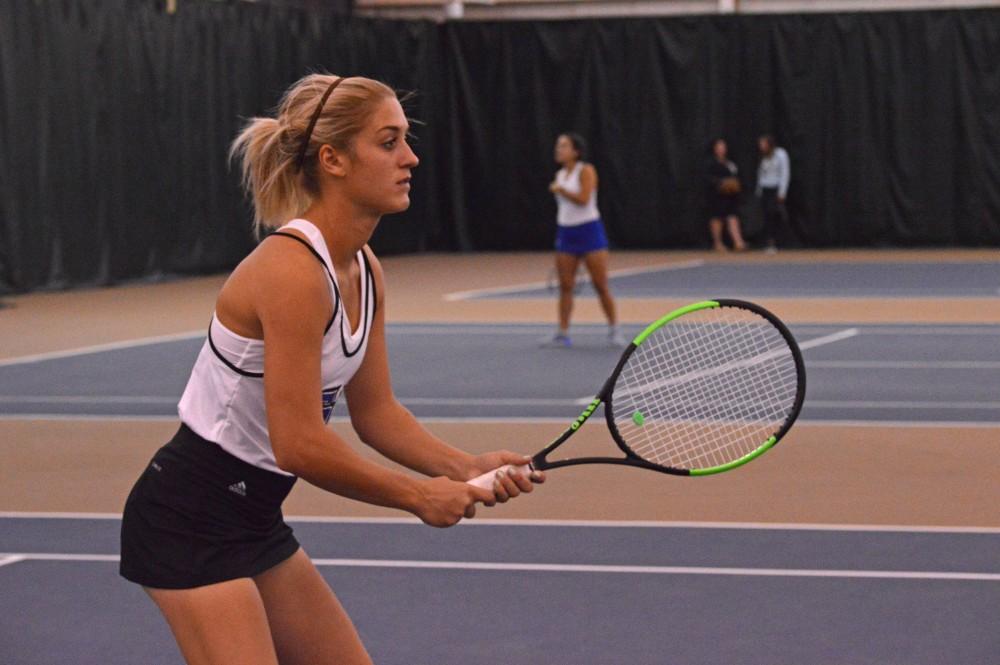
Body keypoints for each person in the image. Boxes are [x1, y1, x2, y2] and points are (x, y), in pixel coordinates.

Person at [119, 73, 544, 665]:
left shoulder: (365, 268)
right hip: (188, 519)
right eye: (389, 142)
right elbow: (298, 444)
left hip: (254, 516)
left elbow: (377, 414)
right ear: (333, 160)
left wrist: (463, 465)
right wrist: (419, 495)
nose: (411, 158)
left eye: (406, 140)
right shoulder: (291, 272)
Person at [542, 132, 625, 348]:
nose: (558, 149)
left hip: (590, 232)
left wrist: (561, 190)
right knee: (566, 286)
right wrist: (560, 188)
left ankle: (614, 329)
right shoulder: (560, 175)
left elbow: (584, 199)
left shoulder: (586, 171)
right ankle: (563, 332)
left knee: (600, 284)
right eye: (558, 145)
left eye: (564, 146)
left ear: (576, 151)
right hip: (566, 234)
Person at [706, 138, 747, 252]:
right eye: (719, 147)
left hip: (730, 195)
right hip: (716, 196)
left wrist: (734, 184)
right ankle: (717, 243)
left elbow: (736, 176)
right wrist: (721, 183)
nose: (722, 149)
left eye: (723, 146)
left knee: (733, 216)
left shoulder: (730, 163)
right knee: (717, 217)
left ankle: (738, 242)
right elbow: (707, 178)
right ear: (715, 149)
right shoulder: (711, 163)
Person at [755, 134, 791, 252]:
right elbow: (760, 174)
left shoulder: (781, 154)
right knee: (766, 216)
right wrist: (759, 190)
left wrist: (782, 192)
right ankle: (769, 242)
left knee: (775, 215)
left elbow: (785, 172)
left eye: (763, 144)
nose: (761, 146)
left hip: (776, 189)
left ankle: (778, 242)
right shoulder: (763, 156)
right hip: (765, 189)